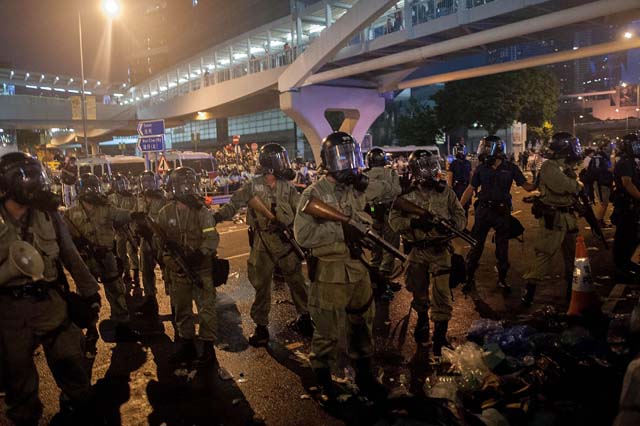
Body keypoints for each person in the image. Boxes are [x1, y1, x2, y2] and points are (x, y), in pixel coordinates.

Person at [0, 152, 101, 425]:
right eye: (27, 176)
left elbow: (70, 254)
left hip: (50, 300)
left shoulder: (47, 214)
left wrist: (90, 291)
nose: (35, 183)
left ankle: (76, 409)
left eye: (36, 175)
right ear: (10, 183)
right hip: (9, 311)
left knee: (72, 362)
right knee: (18, 383)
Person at [294, 131, 386, 401]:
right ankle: (323, 381)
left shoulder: (355, 190)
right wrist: (341, 231)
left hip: (357, 269)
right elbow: (303, 235)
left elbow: (372, 211)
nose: (348, 163)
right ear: (328, 161)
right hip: (330, 273)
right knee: (327, 333)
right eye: (342, 158)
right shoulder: (313, 193)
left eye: (351, 156)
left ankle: (365, 376)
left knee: (362, 325)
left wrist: (361, 226)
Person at [214, 143, 312, 346]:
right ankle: (261, 327)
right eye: (280, 159)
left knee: (297, 282)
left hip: (286, 242)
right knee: (261, 286)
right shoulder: (253, 185)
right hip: (263, 242)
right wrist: (216, 218)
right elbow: (234, 203)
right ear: (271, 163)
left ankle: (304, 317)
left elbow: (301, 210)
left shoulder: (287, 186)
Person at [389, 150, 466, 354]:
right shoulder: (406, 195)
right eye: (425, 166)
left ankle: (440, 338)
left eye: (432, 165)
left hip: (441, 250)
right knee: (419, 292)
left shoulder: (447, 192)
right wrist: (413, 222)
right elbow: (394, 222)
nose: (430, 170)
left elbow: (460, 216)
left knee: (442, 296)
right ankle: (422, 322)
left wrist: (450, 225)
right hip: (417, 250)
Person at [65, 173, 141, 343]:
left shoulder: (106, 207)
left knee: (116, 290)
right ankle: (90, 328)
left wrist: (135, 215)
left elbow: (121, 215)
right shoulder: (70, 214)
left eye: (94, 187)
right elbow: (66, 239)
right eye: (88, 187)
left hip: (106, 256)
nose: (92, 191)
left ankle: (122, 325)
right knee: (86, 295)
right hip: (85, 260)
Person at [156, 167, 219, 367]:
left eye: (190, 185)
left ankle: (208, 348)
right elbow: (160, 243)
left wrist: (199, 254)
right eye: (183, 185)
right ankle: (187, 344)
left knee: (206, 310)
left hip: (201, 270)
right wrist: (171, 262)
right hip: (178, 271)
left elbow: (211, 237)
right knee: (182, 310)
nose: (187, 189)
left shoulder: (202, 211)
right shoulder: (165, 212)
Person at [461, 135, 536, 292]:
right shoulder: (481, 168)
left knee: (502, 249)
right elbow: (470, 188)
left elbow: (527, 187)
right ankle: (469, 278)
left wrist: (542, 180)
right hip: (483, 210)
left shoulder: (511, 168)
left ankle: (502, 279)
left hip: (502, 212)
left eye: (486, 147)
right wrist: (459, 207)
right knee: (476, 246)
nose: (483, 150)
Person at [522, 132, 584, 306]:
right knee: (544, 254)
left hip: (568, 217)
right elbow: (563, 186)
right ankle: (529, 294)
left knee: (574, 258)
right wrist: (576, 186)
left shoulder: (565, 166)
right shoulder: (550, 166)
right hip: (554, 218)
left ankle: (572, 294)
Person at [364, 147, 402, 299]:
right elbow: (397, 190)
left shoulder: (365, 175)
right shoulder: (391, 173)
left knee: (375, 249)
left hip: (372, 214)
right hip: (389, 213)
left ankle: (374, 284)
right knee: (390, 248)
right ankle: (384, 285)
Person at [136, 170, 167, 315]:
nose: (147, 184)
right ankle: (150, 299)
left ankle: (175, 300)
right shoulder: (140, 198)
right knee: (146, 271)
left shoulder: (163, 198)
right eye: (144, 181)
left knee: (167, 270)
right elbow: (136, 214)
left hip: (160, 240)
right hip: (145, 240)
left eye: (150, 181)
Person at [611, 133, 640, 282]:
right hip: (625, 206)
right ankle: (622, 269)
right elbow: (627, 183)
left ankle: (628, 265)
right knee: (625, 237)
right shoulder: (625, 163)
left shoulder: (631, 161)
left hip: (629, 205)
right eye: (636, 145)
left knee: (630, 236)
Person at [109, 173, 140, 288]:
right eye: (119, 184)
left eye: (123, 183)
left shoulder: (131, 198)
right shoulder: (110, 198)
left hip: (130, 229)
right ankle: (126, 273)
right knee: (120, 252)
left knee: (132, 251)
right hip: (118, 230)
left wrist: (134, 230)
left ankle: (135, 273)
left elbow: (134, 212)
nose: (121, 186)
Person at [587, 139, 614, 228]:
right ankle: (598, 222)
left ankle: (600, 221)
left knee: (604, 203)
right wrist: (609, 169)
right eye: (610, 146)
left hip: (603, 182)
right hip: (601, 183)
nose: (611, 148)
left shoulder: (603, 156)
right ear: (604, 147)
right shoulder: (599, 156)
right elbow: (597, 169)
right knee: (603, 203)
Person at [448, 140, 472, 215]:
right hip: (460, 187)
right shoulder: (455, 163)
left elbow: (449, 178)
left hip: (461, 187)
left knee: (462, 208)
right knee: (460, 209)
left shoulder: (455, 163)